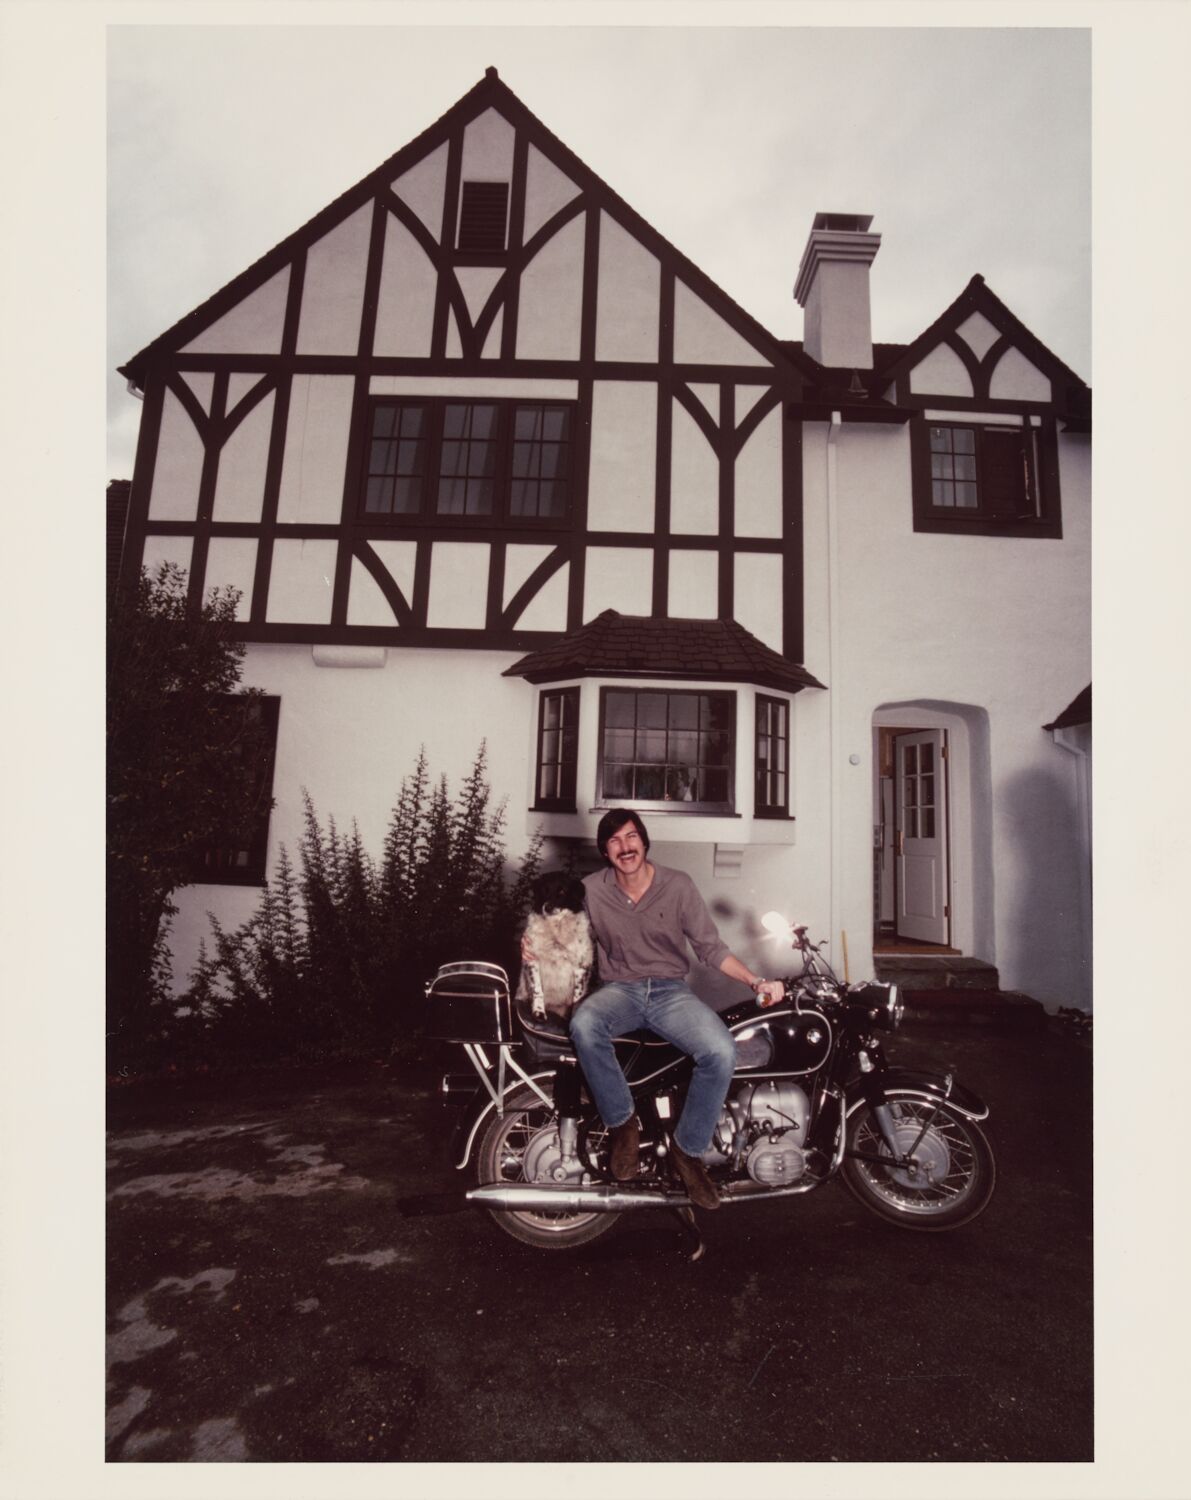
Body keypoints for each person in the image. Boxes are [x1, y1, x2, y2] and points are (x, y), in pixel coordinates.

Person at [569, 808, 784, 1211]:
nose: (625, 847)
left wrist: (756, 981)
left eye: (631, 837)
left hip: (670, 992)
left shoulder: (678, 885)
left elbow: (710, 948)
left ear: (644, 841)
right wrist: (531, 947)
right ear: (605, 851)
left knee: (721, 1051)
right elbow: (564, 935)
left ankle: (688, 1152)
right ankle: (622, 1125)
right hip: (621, 990)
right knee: (584, 1025)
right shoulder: (590, 890)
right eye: (614, 841)